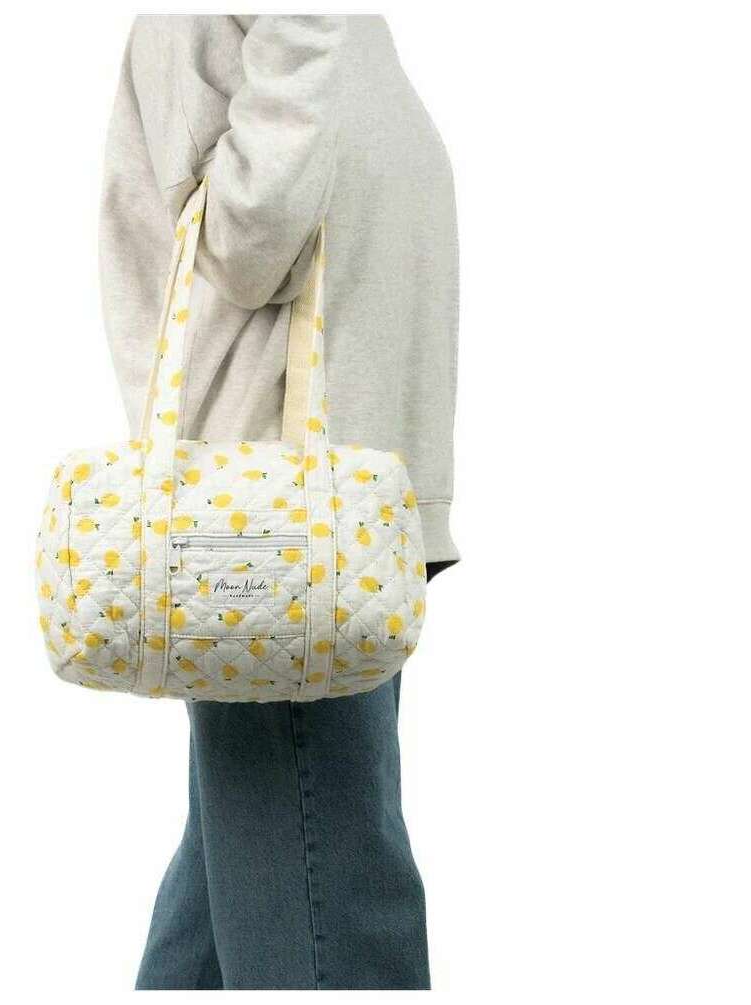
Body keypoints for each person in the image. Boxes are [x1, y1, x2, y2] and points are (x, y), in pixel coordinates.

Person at [99, 15, 458, 990]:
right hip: (277, 522)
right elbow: (254, 230)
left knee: (259, 860)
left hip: (324, 506)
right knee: (330, 882)